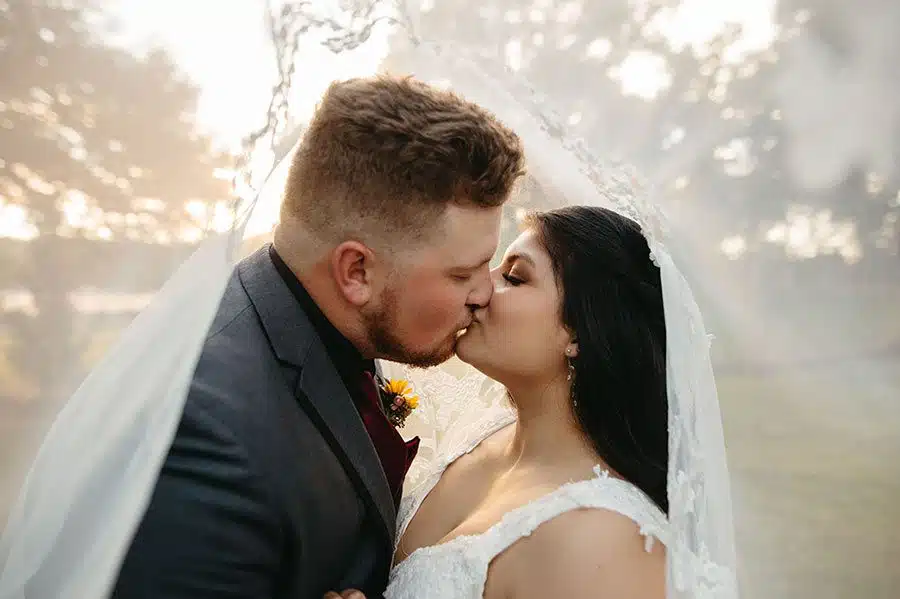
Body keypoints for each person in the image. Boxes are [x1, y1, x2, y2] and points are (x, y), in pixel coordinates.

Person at [110, 75, 525, 599]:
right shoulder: (211, 436)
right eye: (463, 273)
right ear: (355, 271)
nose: (485, 292)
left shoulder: (315, 315)